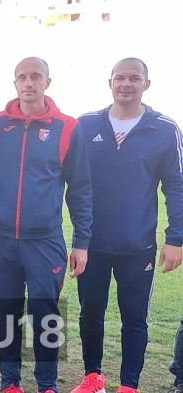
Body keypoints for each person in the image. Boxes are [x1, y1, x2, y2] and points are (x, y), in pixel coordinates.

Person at [71, 58, 183, 393]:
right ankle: (93, 377)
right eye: (120, 78)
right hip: (91, 244)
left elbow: (176, 187)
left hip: (138, 247)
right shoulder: (86, 125)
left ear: (146, 83)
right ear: (110, 82)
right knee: (91, 313)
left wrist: (176, 238)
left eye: (134, 78)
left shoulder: (164, 129)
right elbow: (70, 181)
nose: (126, 84)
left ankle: (129, 385)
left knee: (134, 318)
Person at [0, 57, 92, 393]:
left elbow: (80, 188)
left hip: (44, 241)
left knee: (46, 314)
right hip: (0, 238)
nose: (28, 83)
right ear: (14, 82)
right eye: (22, 77)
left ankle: (46, 383)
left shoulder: (68, 127)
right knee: (7, 312)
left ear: (48, 81)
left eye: (36, 77)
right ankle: (10, 381)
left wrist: (82, 241)